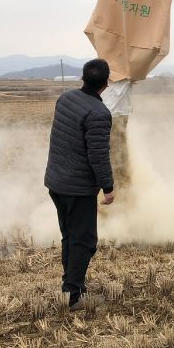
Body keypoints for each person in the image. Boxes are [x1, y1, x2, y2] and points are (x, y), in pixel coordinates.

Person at [44, 58, 115, 310]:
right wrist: (108, 187)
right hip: (77, 188)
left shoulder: (65, 99)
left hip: (56, 182)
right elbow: (98, 156)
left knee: (70, 236)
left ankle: (71, 285)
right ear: (107, 83)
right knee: (84, 241)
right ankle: (73, 296)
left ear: (82, 78)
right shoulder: (99, 113)